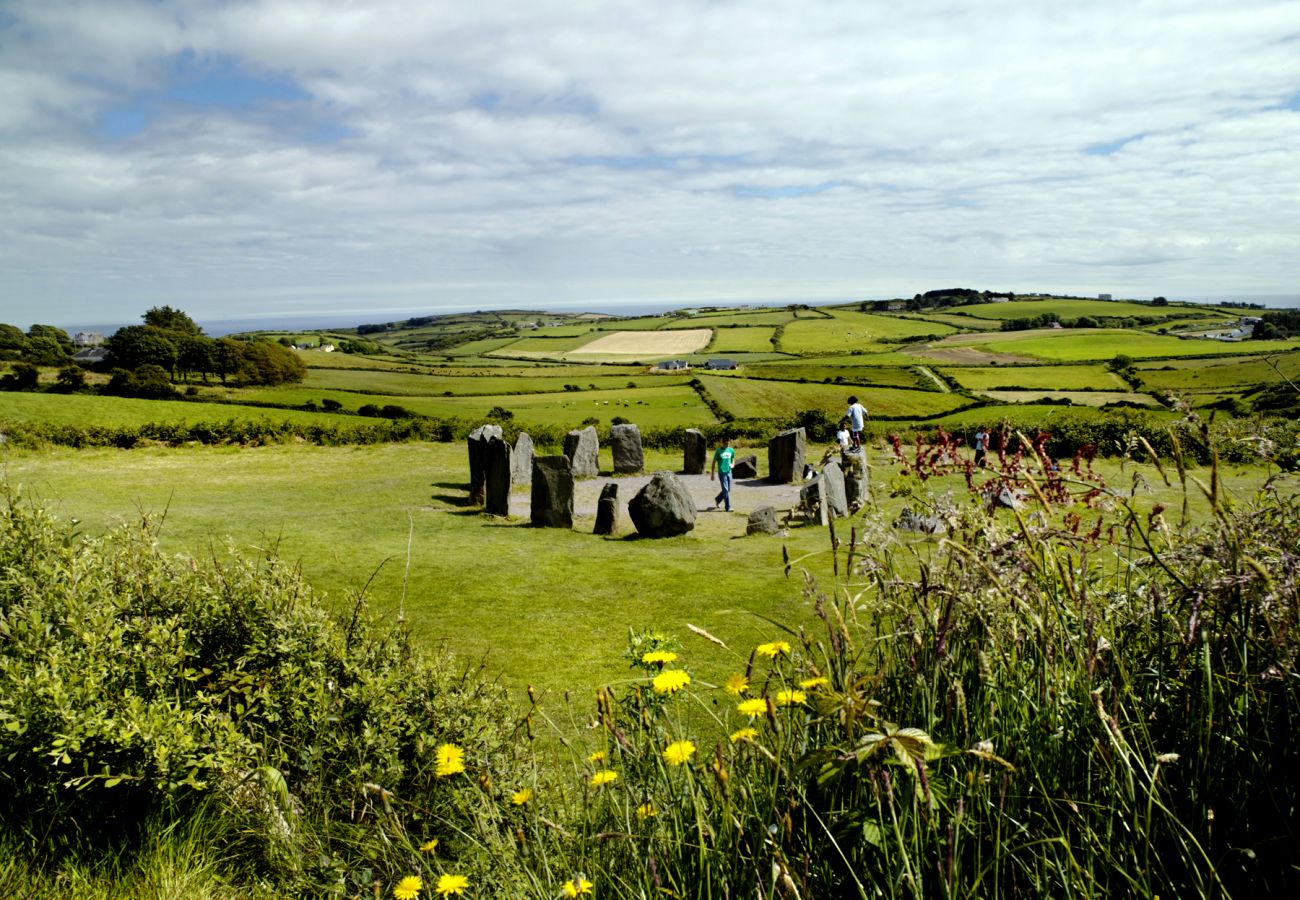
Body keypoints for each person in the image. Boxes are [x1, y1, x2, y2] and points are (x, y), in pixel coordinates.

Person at [710, 435, 736, 512]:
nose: (727, 445)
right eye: (725, 444)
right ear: (722, 443)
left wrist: (733, 464)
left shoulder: (731, 450)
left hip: (729, 472)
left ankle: (718, 499)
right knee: (725, 490)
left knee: (728, 490)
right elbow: (714, 462)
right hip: (722, 473)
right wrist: (712, 474)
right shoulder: (718, 451)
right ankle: (727, 507)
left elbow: (733, 459)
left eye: (728, 443)